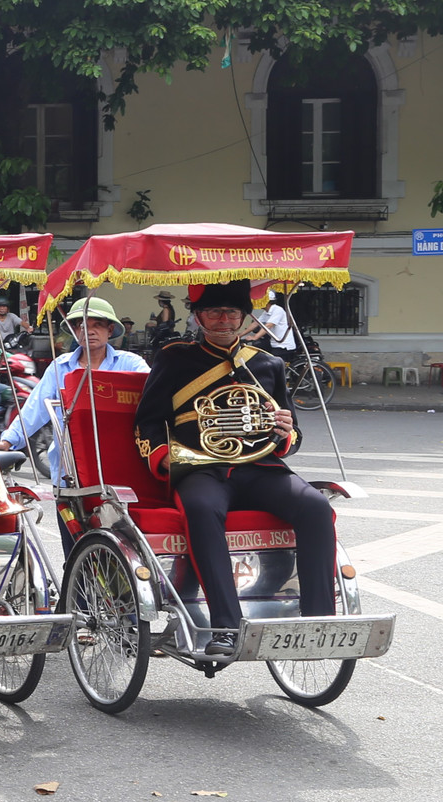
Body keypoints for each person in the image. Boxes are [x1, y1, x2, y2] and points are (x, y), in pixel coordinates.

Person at [134, 279, 332, 657]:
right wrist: (166, 459)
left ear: (244, 317)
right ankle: (225, 625)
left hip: (260, 467)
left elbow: (289, 434)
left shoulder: (267, 363)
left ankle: (317, 619)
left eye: (232, 313)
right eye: (214, 312)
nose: (223, 320)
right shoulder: (175, 358)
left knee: (316, 507)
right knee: (202, 509)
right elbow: (147, 423)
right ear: (198, 317)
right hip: (202, 468)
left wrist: (285, 431)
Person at [0, 297, 149, 536]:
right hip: (70, 471)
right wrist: (9, 440)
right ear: (75, 331)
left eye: (97, 325)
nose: (89, 331)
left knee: (121, 546)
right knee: (74, 545)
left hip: (118, 468)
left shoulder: (131, 364)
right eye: (82, 325)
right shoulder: (61, 366)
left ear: (109, 330)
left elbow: (151, 401)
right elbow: (35, 408)